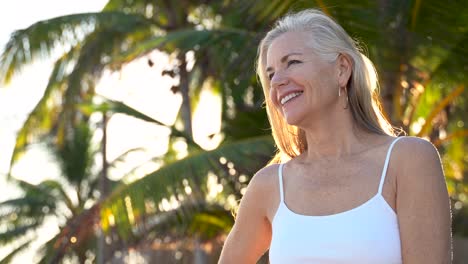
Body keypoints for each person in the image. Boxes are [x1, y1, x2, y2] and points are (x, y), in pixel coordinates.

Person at [218, 9, 452, 264]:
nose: (277, 82)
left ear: (342, 69)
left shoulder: (408, 160)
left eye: (293, 62)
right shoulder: (268, 186)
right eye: (271, 73)